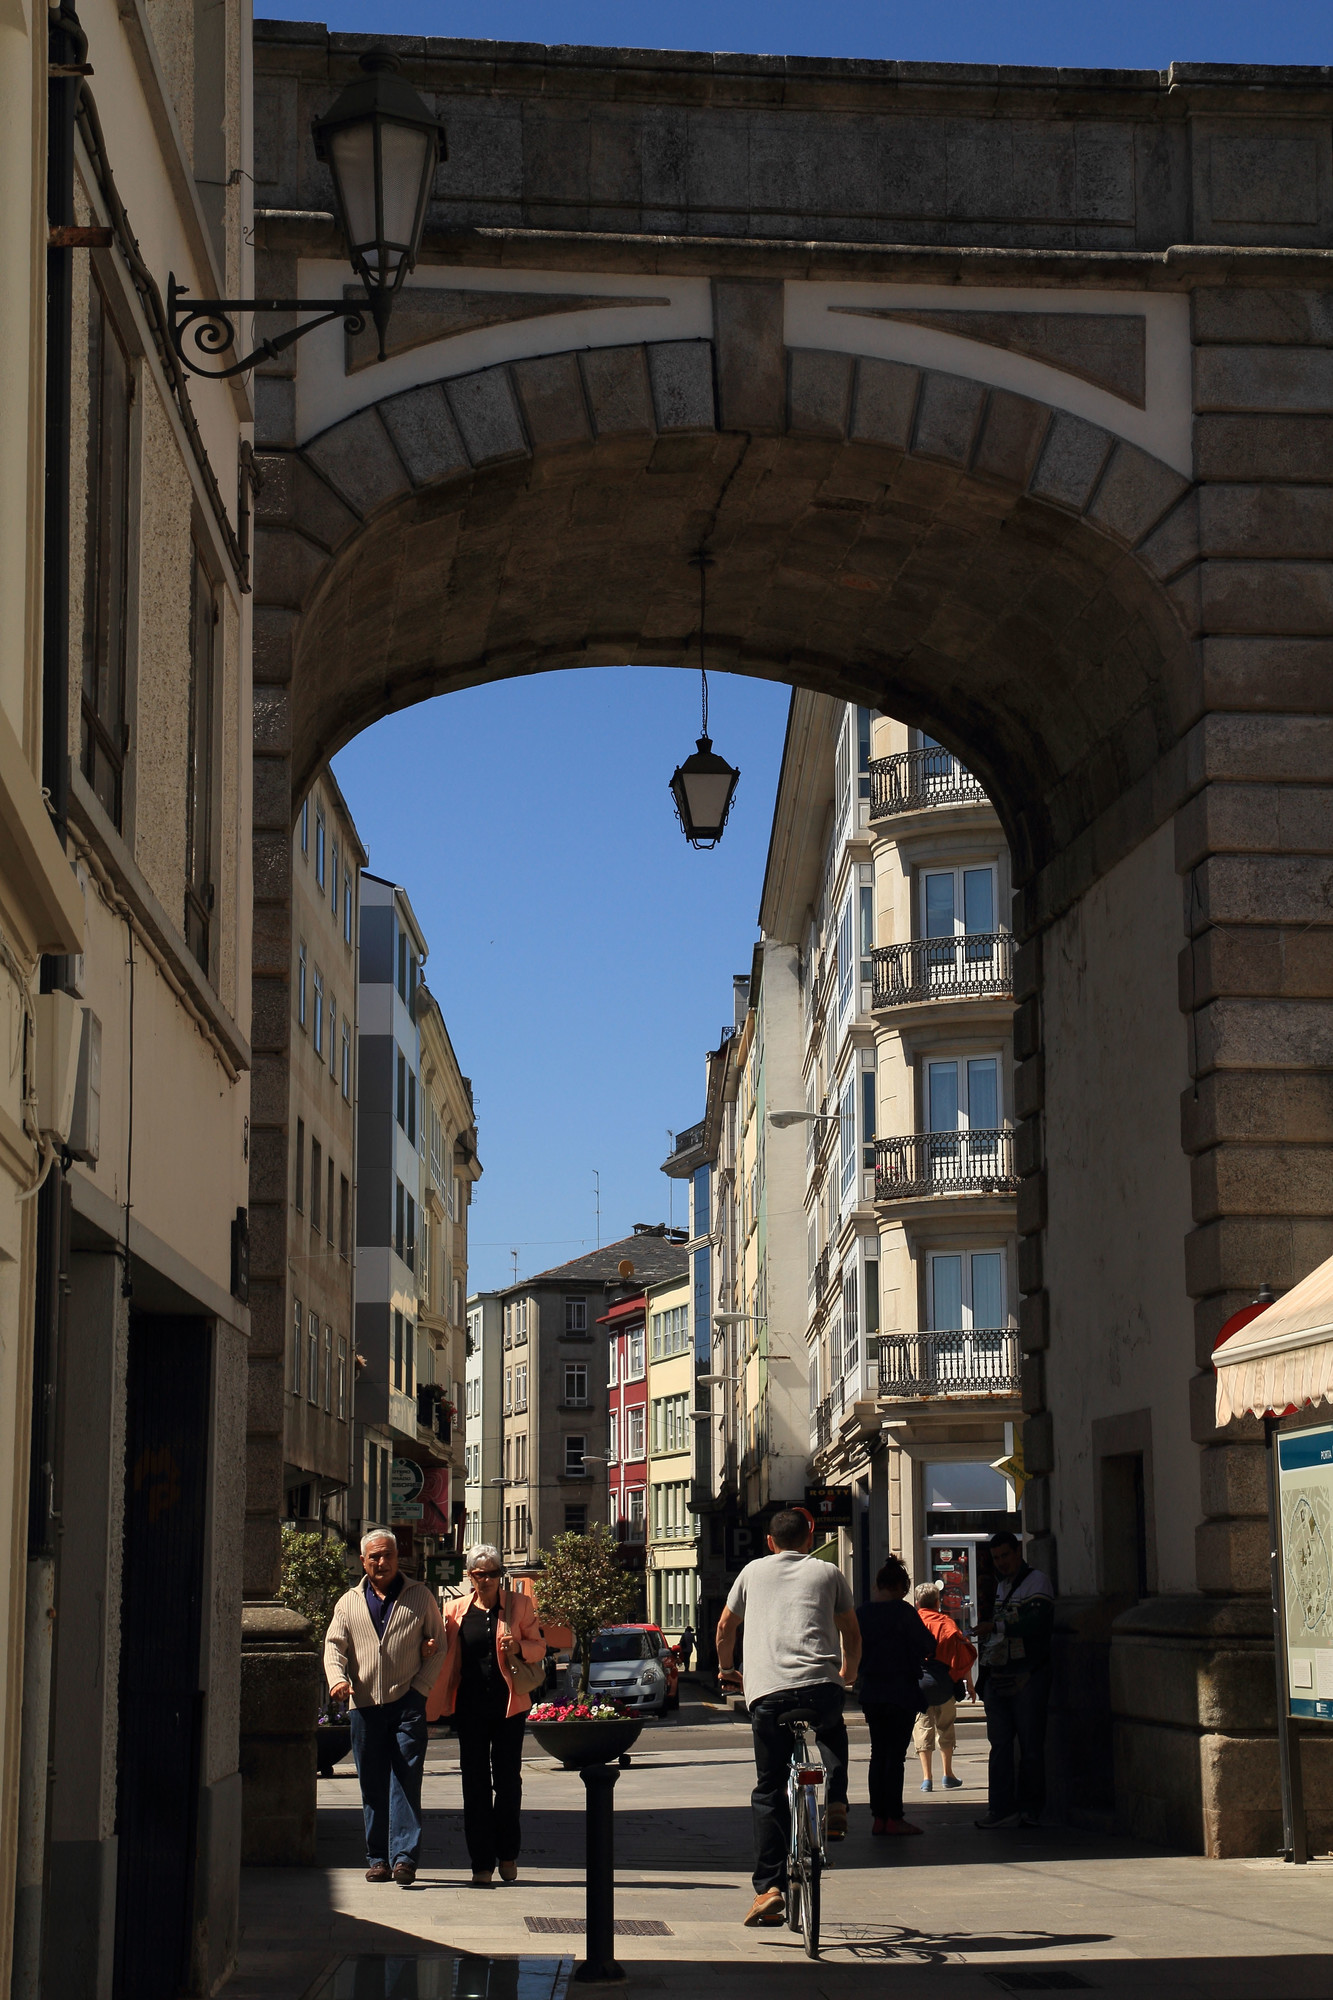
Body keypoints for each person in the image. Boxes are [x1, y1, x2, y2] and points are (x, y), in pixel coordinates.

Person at [715, 1507, 861, 1927]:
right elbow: (851, 1632)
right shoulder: (829, 1572)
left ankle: (769, 1888)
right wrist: (847, 1673)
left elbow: (725, 1627)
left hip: (769, 1693)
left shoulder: (751, 1572)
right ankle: (836, 1801)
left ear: (770, 1542)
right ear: (810, 1540)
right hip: (820, 1685)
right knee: (831, 1729)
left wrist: (727, 1669)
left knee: (769, 1789)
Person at [324, 1530, 447, 1886]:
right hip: (364, 1705)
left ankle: (404, 1858)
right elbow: (334, 1646)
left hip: (407, 1702)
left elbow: (438, 1645)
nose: (382, 1562)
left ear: (397, 1557)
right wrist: (337, 1679)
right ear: (363, 1562)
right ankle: (378, 1857)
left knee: (406, 1778)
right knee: (372, 1783)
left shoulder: (420, 1595)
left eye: (388, 1555)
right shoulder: (348, 1602)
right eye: (375, 1557)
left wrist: (420, 1690)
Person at [428, 1543, 548, 1885]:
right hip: (469, 1708)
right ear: (470, 1576)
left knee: (508, 1783)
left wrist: (520, 1647)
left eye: (493, 1573)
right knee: (475, 1784)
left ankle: (507, 1853)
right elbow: (440, 1647)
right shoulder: (454, 1610)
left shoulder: (519, 1605)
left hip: (509, 1707)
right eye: (480, 1574)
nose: (487, 1580)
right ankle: (481, 1863)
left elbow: (540, 1646)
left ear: (500, 1575)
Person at [974, 1529, 1055, 1830]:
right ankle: (1001, 1808)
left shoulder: (1037, 1581)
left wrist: (996, 1626)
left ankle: (1031, 1809)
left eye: (1005, 1555)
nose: (1001, 1562)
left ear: (1018, 1551)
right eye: (996, 1558)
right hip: (1000, 1673)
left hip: (1028, 1674)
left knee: (1031, 1746)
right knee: (1000, 1745)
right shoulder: (1000, 1585)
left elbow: (1037, 1622)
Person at [856, 1557, 936, 1837]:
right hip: (900, 1691)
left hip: (872, 1691)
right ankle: (894, 1817)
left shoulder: (862, 1613)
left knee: (877, 1753)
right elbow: (928, 1645)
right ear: (902, 1588)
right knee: (895, 1756)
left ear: (877, 1585)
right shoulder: (904, 1612)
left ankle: (878, 1817)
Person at [912, 1581, 978, 1793]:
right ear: (938, 1603)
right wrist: (970, 1685)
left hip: (919, 1686)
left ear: (917, 1603)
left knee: (923, 1728)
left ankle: (927, 1778)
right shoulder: (947, 1623)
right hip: (944, 1684)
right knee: (946, 1727)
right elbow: (963, 1657)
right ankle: (948, 1774)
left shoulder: (913, 1623)